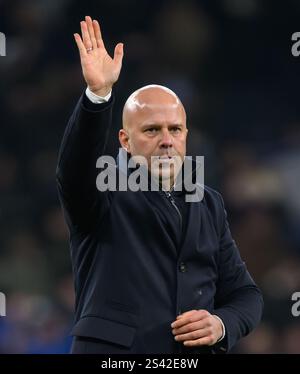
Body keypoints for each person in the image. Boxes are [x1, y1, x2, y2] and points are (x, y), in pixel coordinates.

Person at [56, 16, 263, 354]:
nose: (167, 140)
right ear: (125, 140)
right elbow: (73, 168)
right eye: (152, 130)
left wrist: (221, 323)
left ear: (186, 135)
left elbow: (246, 296)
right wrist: (98, 95)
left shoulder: (208, 203)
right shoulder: (103, 191)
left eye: (175, 129)